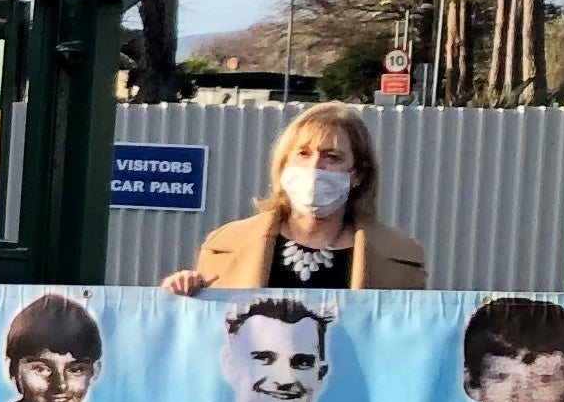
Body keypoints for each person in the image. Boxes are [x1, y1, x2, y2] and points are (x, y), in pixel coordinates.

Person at [165, 106, 428, 294]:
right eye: (303, 153)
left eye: (332, 157)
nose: (315, 167)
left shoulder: (400, 259)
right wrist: (181, 293)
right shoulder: (226, 245)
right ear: (283, 165)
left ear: (357, 175)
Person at [205, 296, 340, 402]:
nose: (285, 379)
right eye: (264, 359)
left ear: (321, 374)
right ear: (231, 364)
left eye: (302, 363)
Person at [0, 294, 107, 402]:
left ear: (94, 371)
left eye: (76, 370)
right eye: (41, 369)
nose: (61, 385)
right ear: (12, 369)